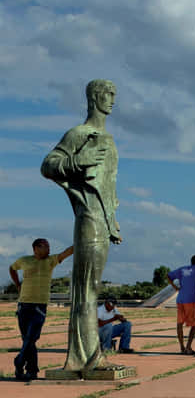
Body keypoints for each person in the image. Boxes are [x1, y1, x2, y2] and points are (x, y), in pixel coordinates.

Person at [41, 79, 124, 374]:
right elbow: (48, 165)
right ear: (94, 97)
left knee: (93, 288)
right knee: (86, 289)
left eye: (114, 94)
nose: (113, 99)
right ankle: (86, 358)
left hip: (102, 221)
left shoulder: (108, 138)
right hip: (88, 220)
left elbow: (106, 185)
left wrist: (112, 221)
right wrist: (76, 161)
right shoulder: (80, 134)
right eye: (108, 94)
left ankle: (90, 355)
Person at [8, 239, 73, 381]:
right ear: (36, 248)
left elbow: (66, 253)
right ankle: (31, 371)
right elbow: (12, 268)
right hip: (23, 305)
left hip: (39, 306)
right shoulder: (24, 260)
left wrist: (80, 242)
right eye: (46, 247)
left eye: (49, 247)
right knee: (27, 340)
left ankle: (19, 360)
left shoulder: (50, 261)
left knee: (32, 337)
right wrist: (18, 284)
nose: (49, 249)